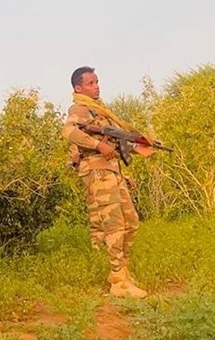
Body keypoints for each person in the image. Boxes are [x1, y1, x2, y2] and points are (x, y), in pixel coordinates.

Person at [61, 66, 150, 299]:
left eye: (97, 82)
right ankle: (119, 282)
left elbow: (115, 143)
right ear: (78, 88)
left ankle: (121, 272)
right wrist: (98, 145)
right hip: (98, 171)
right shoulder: (80, 108)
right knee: (114, 225)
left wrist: (139, 148)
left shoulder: (99, 110)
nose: (96, 86)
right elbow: (68, 132)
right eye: (90, 83)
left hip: (112, 170)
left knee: (131, 222)